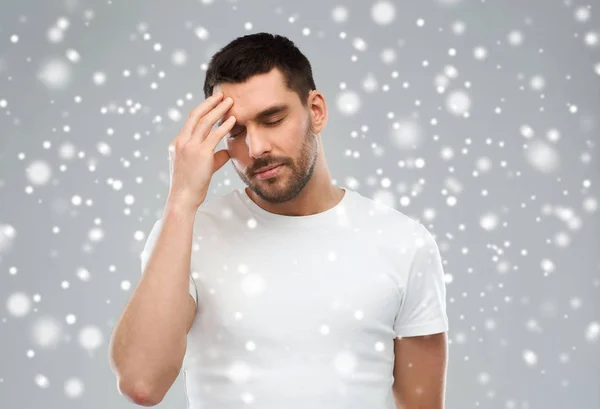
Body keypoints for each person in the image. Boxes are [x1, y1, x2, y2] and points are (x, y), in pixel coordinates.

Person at [109, 32, 449, 409]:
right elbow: (142, 382)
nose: (256, 149)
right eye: (235, 132)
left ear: (316, 111)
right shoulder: (188, 234)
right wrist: (180, 201)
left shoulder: (403, 243)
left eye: (272, 119)